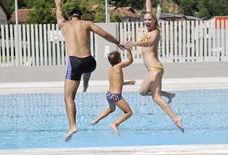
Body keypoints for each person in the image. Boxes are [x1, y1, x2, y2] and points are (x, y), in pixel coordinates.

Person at [55, 0, 125, 141]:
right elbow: (104, 34)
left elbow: (59, 13)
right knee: (86, 68)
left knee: (68, 97)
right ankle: (86, 81)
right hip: (90, 62)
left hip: (74, 63)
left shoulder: (64, 24)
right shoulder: (87, 23)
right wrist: (117, 42)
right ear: (80, 16)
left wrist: (58, 4)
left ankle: (72, 126)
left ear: (70, 17)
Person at [125, 0, 184, 132]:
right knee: (142, 92)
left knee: (156, 98)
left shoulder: (155, 32)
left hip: (155, 69)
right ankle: (169, 95)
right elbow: (148, 9)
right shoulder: (147, 32)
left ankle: (176, 119)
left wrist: (134, 44)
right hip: (152, 70)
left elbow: (148, 44)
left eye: (149, 20)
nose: (147, 21)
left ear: (154, 21)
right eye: (145, 20)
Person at [92, 48, 134, 134]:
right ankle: (115, 124)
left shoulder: (111, 69)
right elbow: (130, 60)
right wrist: (128, 50)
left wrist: (128, 83)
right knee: (129, 112)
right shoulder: (118, 67)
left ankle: (96, 120)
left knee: (111, 109)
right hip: (116, 96)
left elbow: (117, 83)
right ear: (119, 60)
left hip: (109, 94)